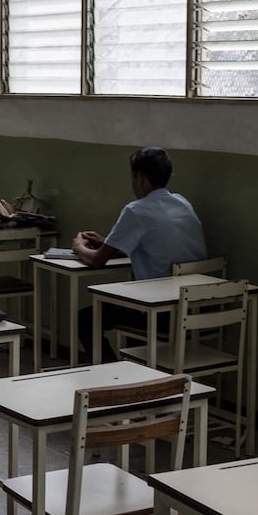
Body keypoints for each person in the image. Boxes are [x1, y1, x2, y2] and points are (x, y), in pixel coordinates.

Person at [74, 146, 207, 363]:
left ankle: (112, 374)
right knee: (132, 306)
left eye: (132, 177)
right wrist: (107, 242)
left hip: (162, 314)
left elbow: (98, 261)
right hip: (196, 309)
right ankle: (134, 372)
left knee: (87, 318)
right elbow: (156, 242)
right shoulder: (183, 203)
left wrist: (79, 246)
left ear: (141, 178)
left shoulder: (136, 210)